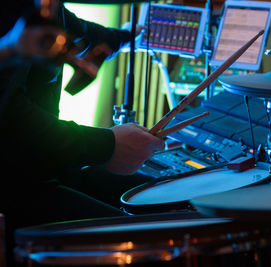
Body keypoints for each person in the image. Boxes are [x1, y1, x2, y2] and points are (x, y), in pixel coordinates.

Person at [0, 0, 164, 263]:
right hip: (12, 186)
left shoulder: (47, 8)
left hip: (42, 168)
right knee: (144, 243)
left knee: (164, 205)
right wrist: (106, 145)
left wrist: (127, 34)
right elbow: (10, 120)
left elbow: (88, 34)